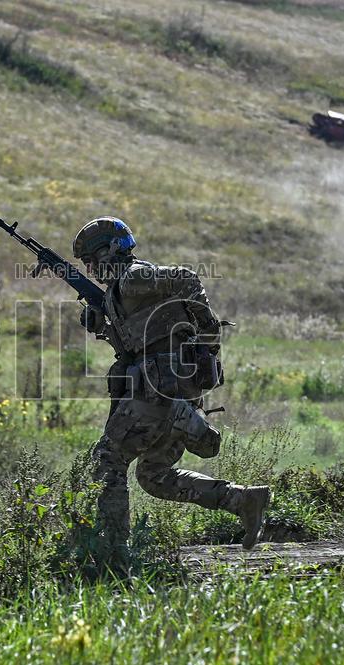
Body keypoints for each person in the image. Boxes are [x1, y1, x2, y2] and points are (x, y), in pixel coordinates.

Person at [73, 216, 271, 570]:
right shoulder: (123, 288)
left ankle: (114, 555)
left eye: (92, 259)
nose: (90, 269)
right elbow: (144, 330)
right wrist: (104, 319)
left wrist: (207, 334)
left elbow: (187, 278)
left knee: (107, 460)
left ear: (112, 251)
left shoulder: (133, 277)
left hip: (157, 387)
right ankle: (243, 500)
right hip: (169, 385)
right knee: (155, 475)